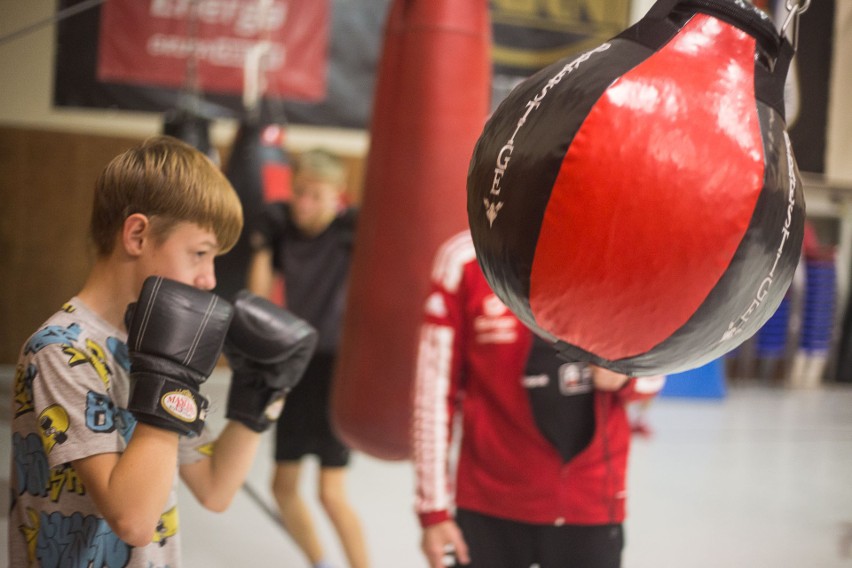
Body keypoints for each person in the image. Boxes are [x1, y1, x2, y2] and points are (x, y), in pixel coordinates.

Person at [8, 135, 316, 567]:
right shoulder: (60, 351)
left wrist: (260, 392)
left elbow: (214, 489)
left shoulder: (150, 340)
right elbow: (132, 519)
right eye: (200, 254)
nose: (209, 279)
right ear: (137, 234)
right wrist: (173, 380)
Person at [412, 231, 665, 568]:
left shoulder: (618, 253)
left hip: (589, 505)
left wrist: (626, 375)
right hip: (490, 506)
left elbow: (658, 369)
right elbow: (432, 392)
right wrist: (434, 512)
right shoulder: (467, 260)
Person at [247, 148, 368, 568]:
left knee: (330, 493)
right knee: (282, 485)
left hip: (337, 368)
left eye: (316, 195)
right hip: (295, 365)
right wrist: (263, 246)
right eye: (299, 192)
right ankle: (321, 562)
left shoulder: (349, 231)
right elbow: (258, 303)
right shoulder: (282, 229)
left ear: (338, 196)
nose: (304, 204)